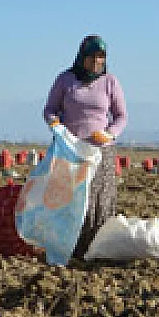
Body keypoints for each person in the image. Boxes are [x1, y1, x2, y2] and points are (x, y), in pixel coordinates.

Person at [42, 34, 129, 258]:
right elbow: (50, 109)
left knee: (95, 200)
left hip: (99, 152)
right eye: (92, 57)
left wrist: (110, 134)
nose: (96, 62)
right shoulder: (65, 79)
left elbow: (121, 116)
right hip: (70, 150)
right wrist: (55, 123)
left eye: (101, 57)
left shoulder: (110, 81)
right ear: (82, 57)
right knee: (69, 199)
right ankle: (67, 246)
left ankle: (95, 248)